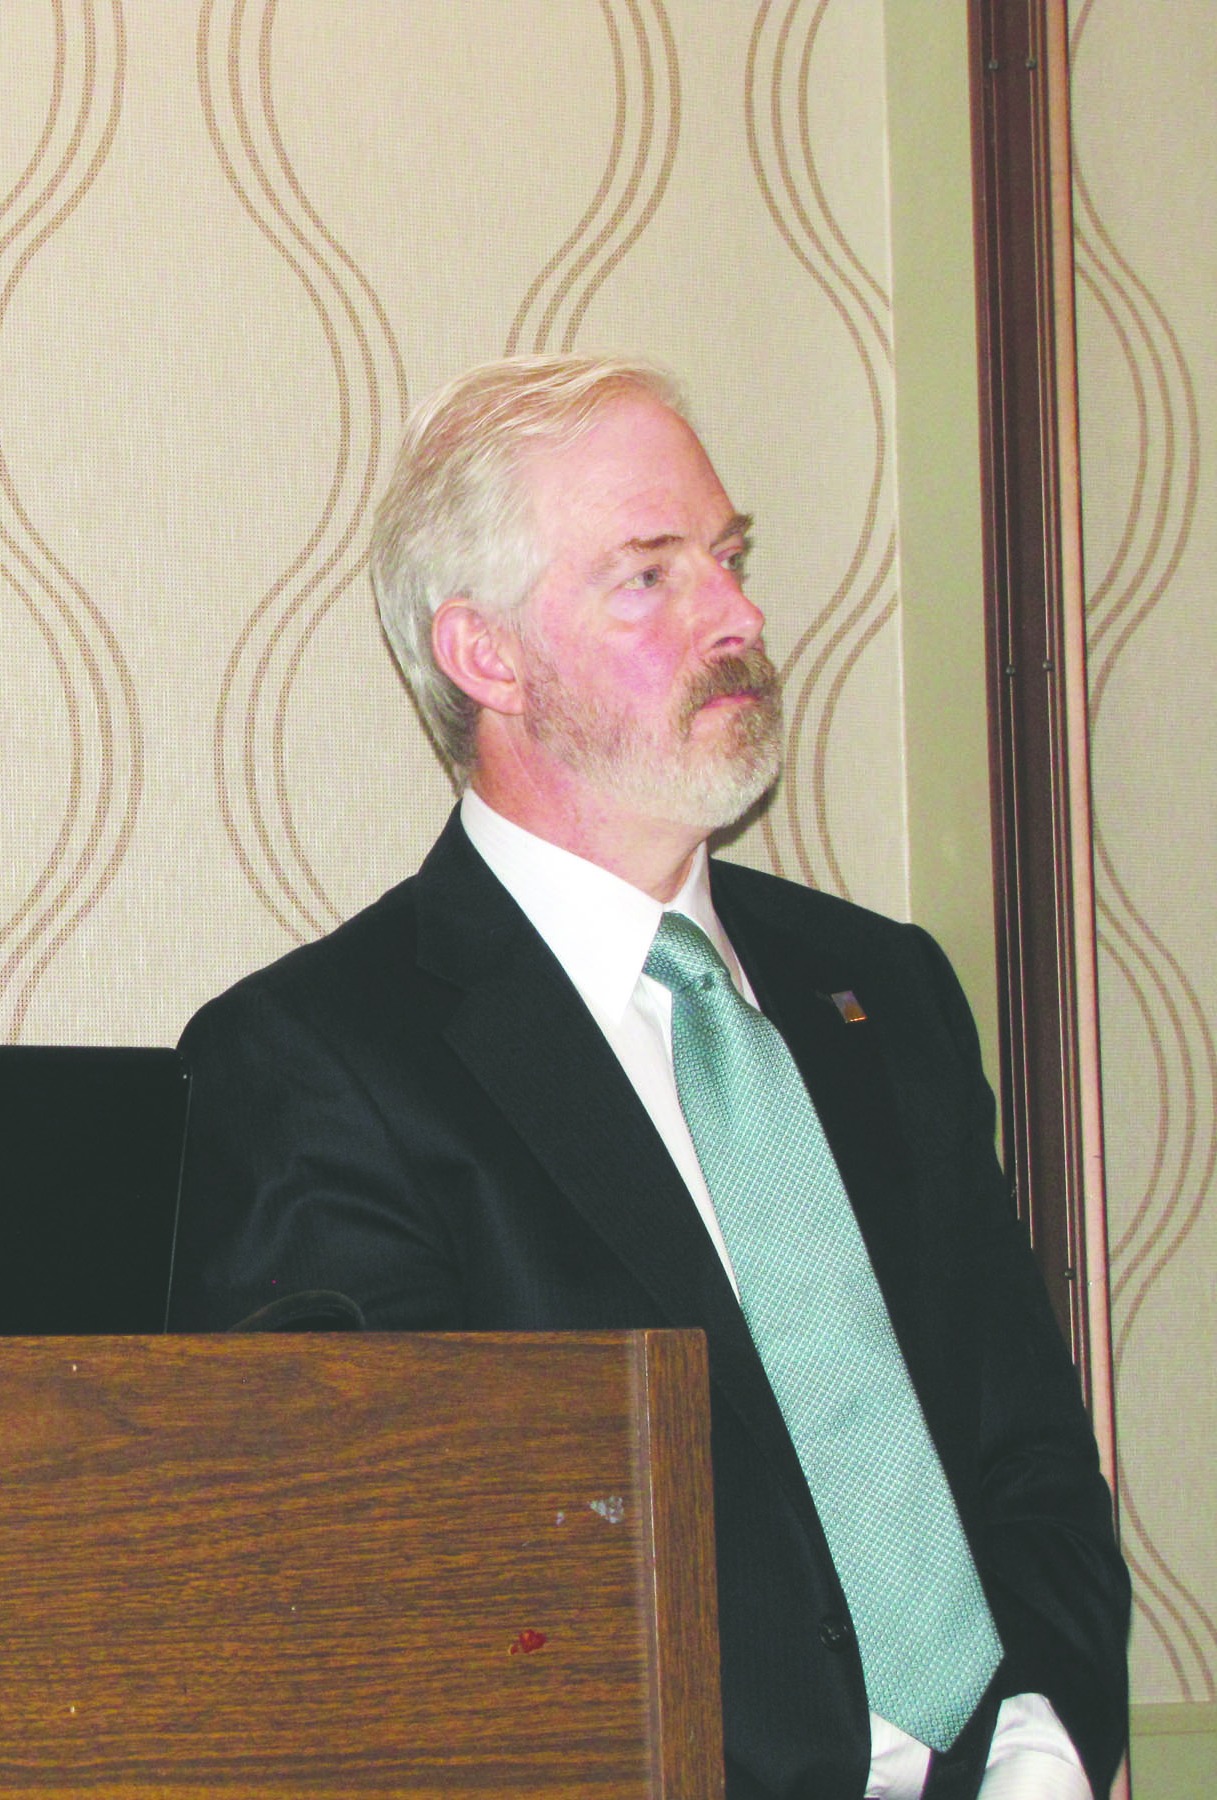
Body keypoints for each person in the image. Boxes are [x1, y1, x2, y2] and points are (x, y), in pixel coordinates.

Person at [171, 355, 1129, 1800]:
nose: (739, 617)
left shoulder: (891, 996)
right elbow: (387, 1619)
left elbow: (1030, 1458)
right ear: (485, 657)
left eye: (730, 561)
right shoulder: (316, 1067)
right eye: (650, 577)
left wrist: (1042, 1763)